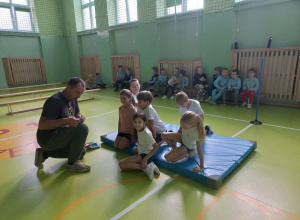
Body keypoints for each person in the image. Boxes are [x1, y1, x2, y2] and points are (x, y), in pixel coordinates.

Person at [35, 77, 91, 172]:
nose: (79, 96)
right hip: (47, 139)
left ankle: (45, 153)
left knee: (81, 152)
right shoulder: (54, 101)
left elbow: (77, 112)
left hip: (61, 135)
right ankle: (72, 164)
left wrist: (80, 116)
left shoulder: (73, 98)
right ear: (69, 87)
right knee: (83, 128)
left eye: (81, 93)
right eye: (78, 92)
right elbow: (42, 125)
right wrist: (65, 121)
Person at [119, 112, 160, 180]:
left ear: (144, 123)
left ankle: (146, 167)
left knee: (121, 164)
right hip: (142, 153)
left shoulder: (146, 133)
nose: (137, 124)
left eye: (139, 122)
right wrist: (138, 148)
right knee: (123, 165)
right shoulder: (139, 129)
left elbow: (156, 147)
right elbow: (144, 142)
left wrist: (145, 159)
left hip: (146, 155)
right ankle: (149, 165)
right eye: (135, 122)